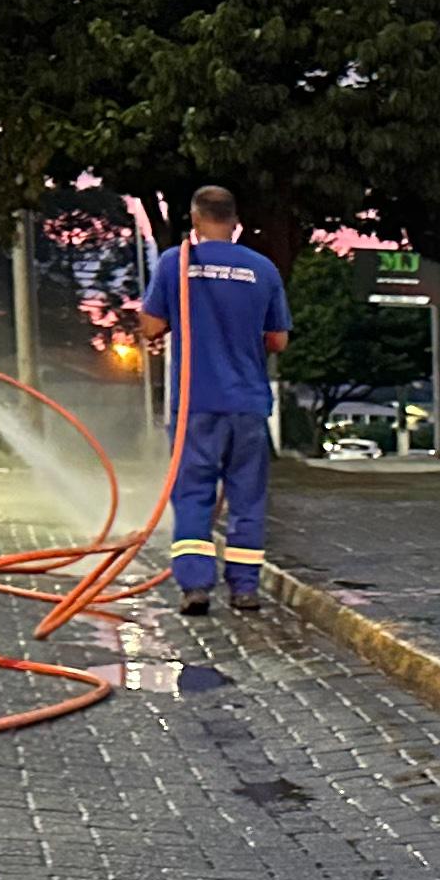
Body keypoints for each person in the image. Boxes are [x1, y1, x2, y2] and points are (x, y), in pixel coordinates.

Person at [135, 186, 290, 615]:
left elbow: (150, 328)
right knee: (247, 500)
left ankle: (195, 587)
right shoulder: (263, 269)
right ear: (235, 221)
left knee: (193, 497)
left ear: (195, 218)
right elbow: (278, 339)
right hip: (248, 406)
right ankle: (244, 589)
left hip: (195, 406)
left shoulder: (175, 264)